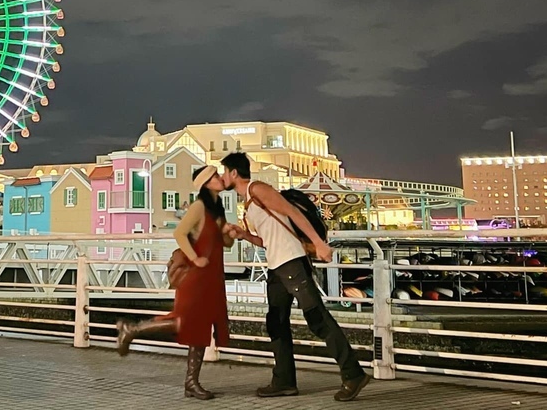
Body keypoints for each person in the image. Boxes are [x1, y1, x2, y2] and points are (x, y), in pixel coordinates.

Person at [220, 151, 369, 402]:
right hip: (277, 266)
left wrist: (318, 243)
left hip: (291, 262)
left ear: (234, 173)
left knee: (317, 318)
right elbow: (266, 240)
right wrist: (245, 236)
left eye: (224, 171)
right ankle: (284, 381)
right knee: (276, 321)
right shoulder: (247, 204)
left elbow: (292, 212)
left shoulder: (258, 189)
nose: (222, 176)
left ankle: (353, 373)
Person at [115, 165, 232, 400]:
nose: (221, 178)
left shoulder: (216, 209)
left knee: (200, 328)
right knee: (184, 322)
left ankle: (191, 383)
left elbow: (225, 244)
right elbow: (179, 233)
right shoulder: (199, 207)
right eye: (216, 176)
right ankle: (132, 329)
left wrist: (230, 233)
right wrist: (195, 257)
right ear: (206, 182)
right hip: (197, 277)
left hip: (211, 276)